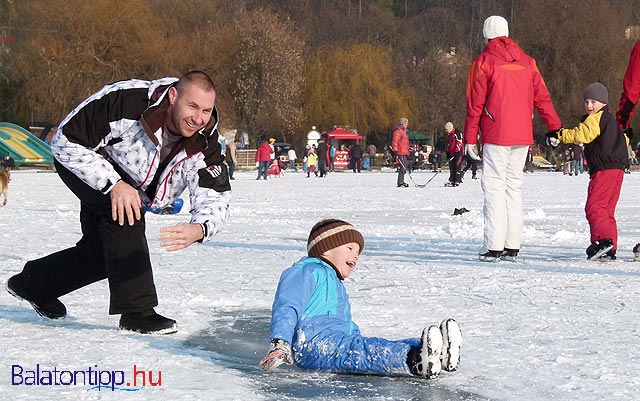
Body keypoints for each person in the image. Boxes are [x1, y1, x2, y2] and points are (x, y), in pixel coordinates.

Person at [6, 71, 231, 334]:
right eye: (192, 106)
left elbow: (215, 190)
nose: (198, 118)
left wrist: (201, 227)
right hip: (82, 161)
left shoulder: (206, 139)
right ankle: (138, 313)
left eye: (206, 110)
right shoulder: (127, 102)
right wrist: (114, 184)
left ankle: (33, 284)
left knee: (102, 255)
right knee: (126, 215)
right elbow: (66, 140)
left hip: (130, 184)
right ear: (173, 96)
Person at [258, 218, 462, 379]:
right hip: (314, 344)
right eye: (349, 248)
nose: (356, 256)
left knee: (368, 346)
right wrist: (280, 342)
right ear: (326, 248)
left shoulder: (335, 281)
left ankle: (435, 352)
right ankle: (414, 359)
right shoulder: (306, 271)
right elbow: (287, 306)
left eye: (358, 252)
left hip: (337, 339)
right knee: (362, 352)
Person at [464, 15, 562, 262]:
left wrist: (470, 138)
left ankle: (494, 245)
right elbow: (543, 97)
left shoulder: (484, 61)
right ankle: (512, 244)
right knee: (514, 187)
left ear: (486, 35)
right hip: (522, 135)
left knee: (494, 187)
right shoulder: (529, 62)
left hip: (496, 133)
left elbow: (474, 104)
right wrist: (554, 128)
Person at [546, 82, 629, 260]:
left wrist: (560, 135)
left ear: (604, 103)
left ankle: (603, 241)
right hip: (617, 170)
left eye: (594, 102)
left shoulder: (596, 119)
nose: (590, 106)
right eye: (587, 102)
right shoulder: (612, 123)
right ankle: (610, 247)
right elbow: (625, 142)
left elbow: (583, 134)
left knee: (595, 206)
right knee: (607, 210)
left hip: (604, 169)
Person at [392, 118, 410, 187]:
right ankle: (400, 182)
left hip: (404, 152)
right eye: (405, 123)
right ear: (402, 123)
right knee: (403, 167)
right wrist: (395, 150)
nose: (406, 125)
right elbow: (395, 141)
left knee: (405, 166)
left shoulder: (404, 131)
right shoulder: (398, 131)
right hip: (400, 152)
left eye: (407, 123)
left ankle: (401, 181)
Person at [445, 122, 463, 186]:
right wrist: (448, 153)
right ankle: (452, 180)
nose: (446, 131)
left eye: (447, 130)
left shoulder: (457, 133)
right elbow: (448, 144)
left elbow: (459, 143)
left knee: (457, 166)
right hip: (452, 153)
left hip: (458, 153)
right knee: (451, 167)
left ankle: (457, 180)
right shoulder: (449, 135)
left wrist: (456, 151)